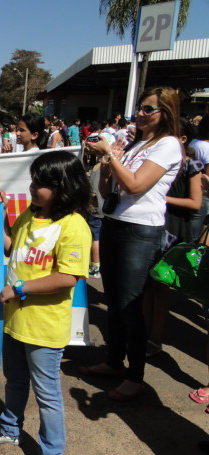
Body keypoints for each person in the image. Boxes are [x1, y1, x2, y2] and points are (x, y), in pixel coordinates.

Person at [0, 150, 91, 455]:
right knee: (15, 381)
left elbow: (68, 278)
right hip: (14, 321)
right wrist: (1, 215)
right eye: (33, 180)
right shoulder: (30, 214)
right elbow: (11, 247)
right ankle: (10, 428)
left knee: (47, 395)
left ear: (63, 187)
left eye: (41, 183)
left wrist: (19, 289)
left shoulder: (74, 225)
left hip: (44, 328)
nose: (33, 188)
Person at [80, 86, 183, 401]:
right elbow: (108, 189)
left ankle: (135, 376)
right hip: (115, 223)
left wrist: (111, 155)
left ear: (165, 112)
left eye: (148, 108)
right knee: (114, 300)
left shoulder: (168, 145)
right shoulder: (138, 144)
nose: (140, 113)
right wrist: (107, 162)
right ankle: (114, 362)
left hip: (140, 230)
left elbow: (136, 185)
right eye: (140, 107)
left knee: (129, 304)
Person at [145, 118, 203, 357]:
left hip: (173, 228)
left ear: (183, 139)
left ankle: (155, 338)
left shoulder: (191, 165)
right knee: (147, 285)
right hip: (152, 223)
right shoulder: (154, 160)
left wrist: (160, 198)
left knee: (161, 285)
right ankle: (144, 333)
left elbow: (195, 203)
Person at [190, 115, 209, 239]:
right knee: (198, 239)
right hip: (203, 196)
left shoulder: (193, 142)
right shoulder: (207, 148)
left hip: (191, 193)